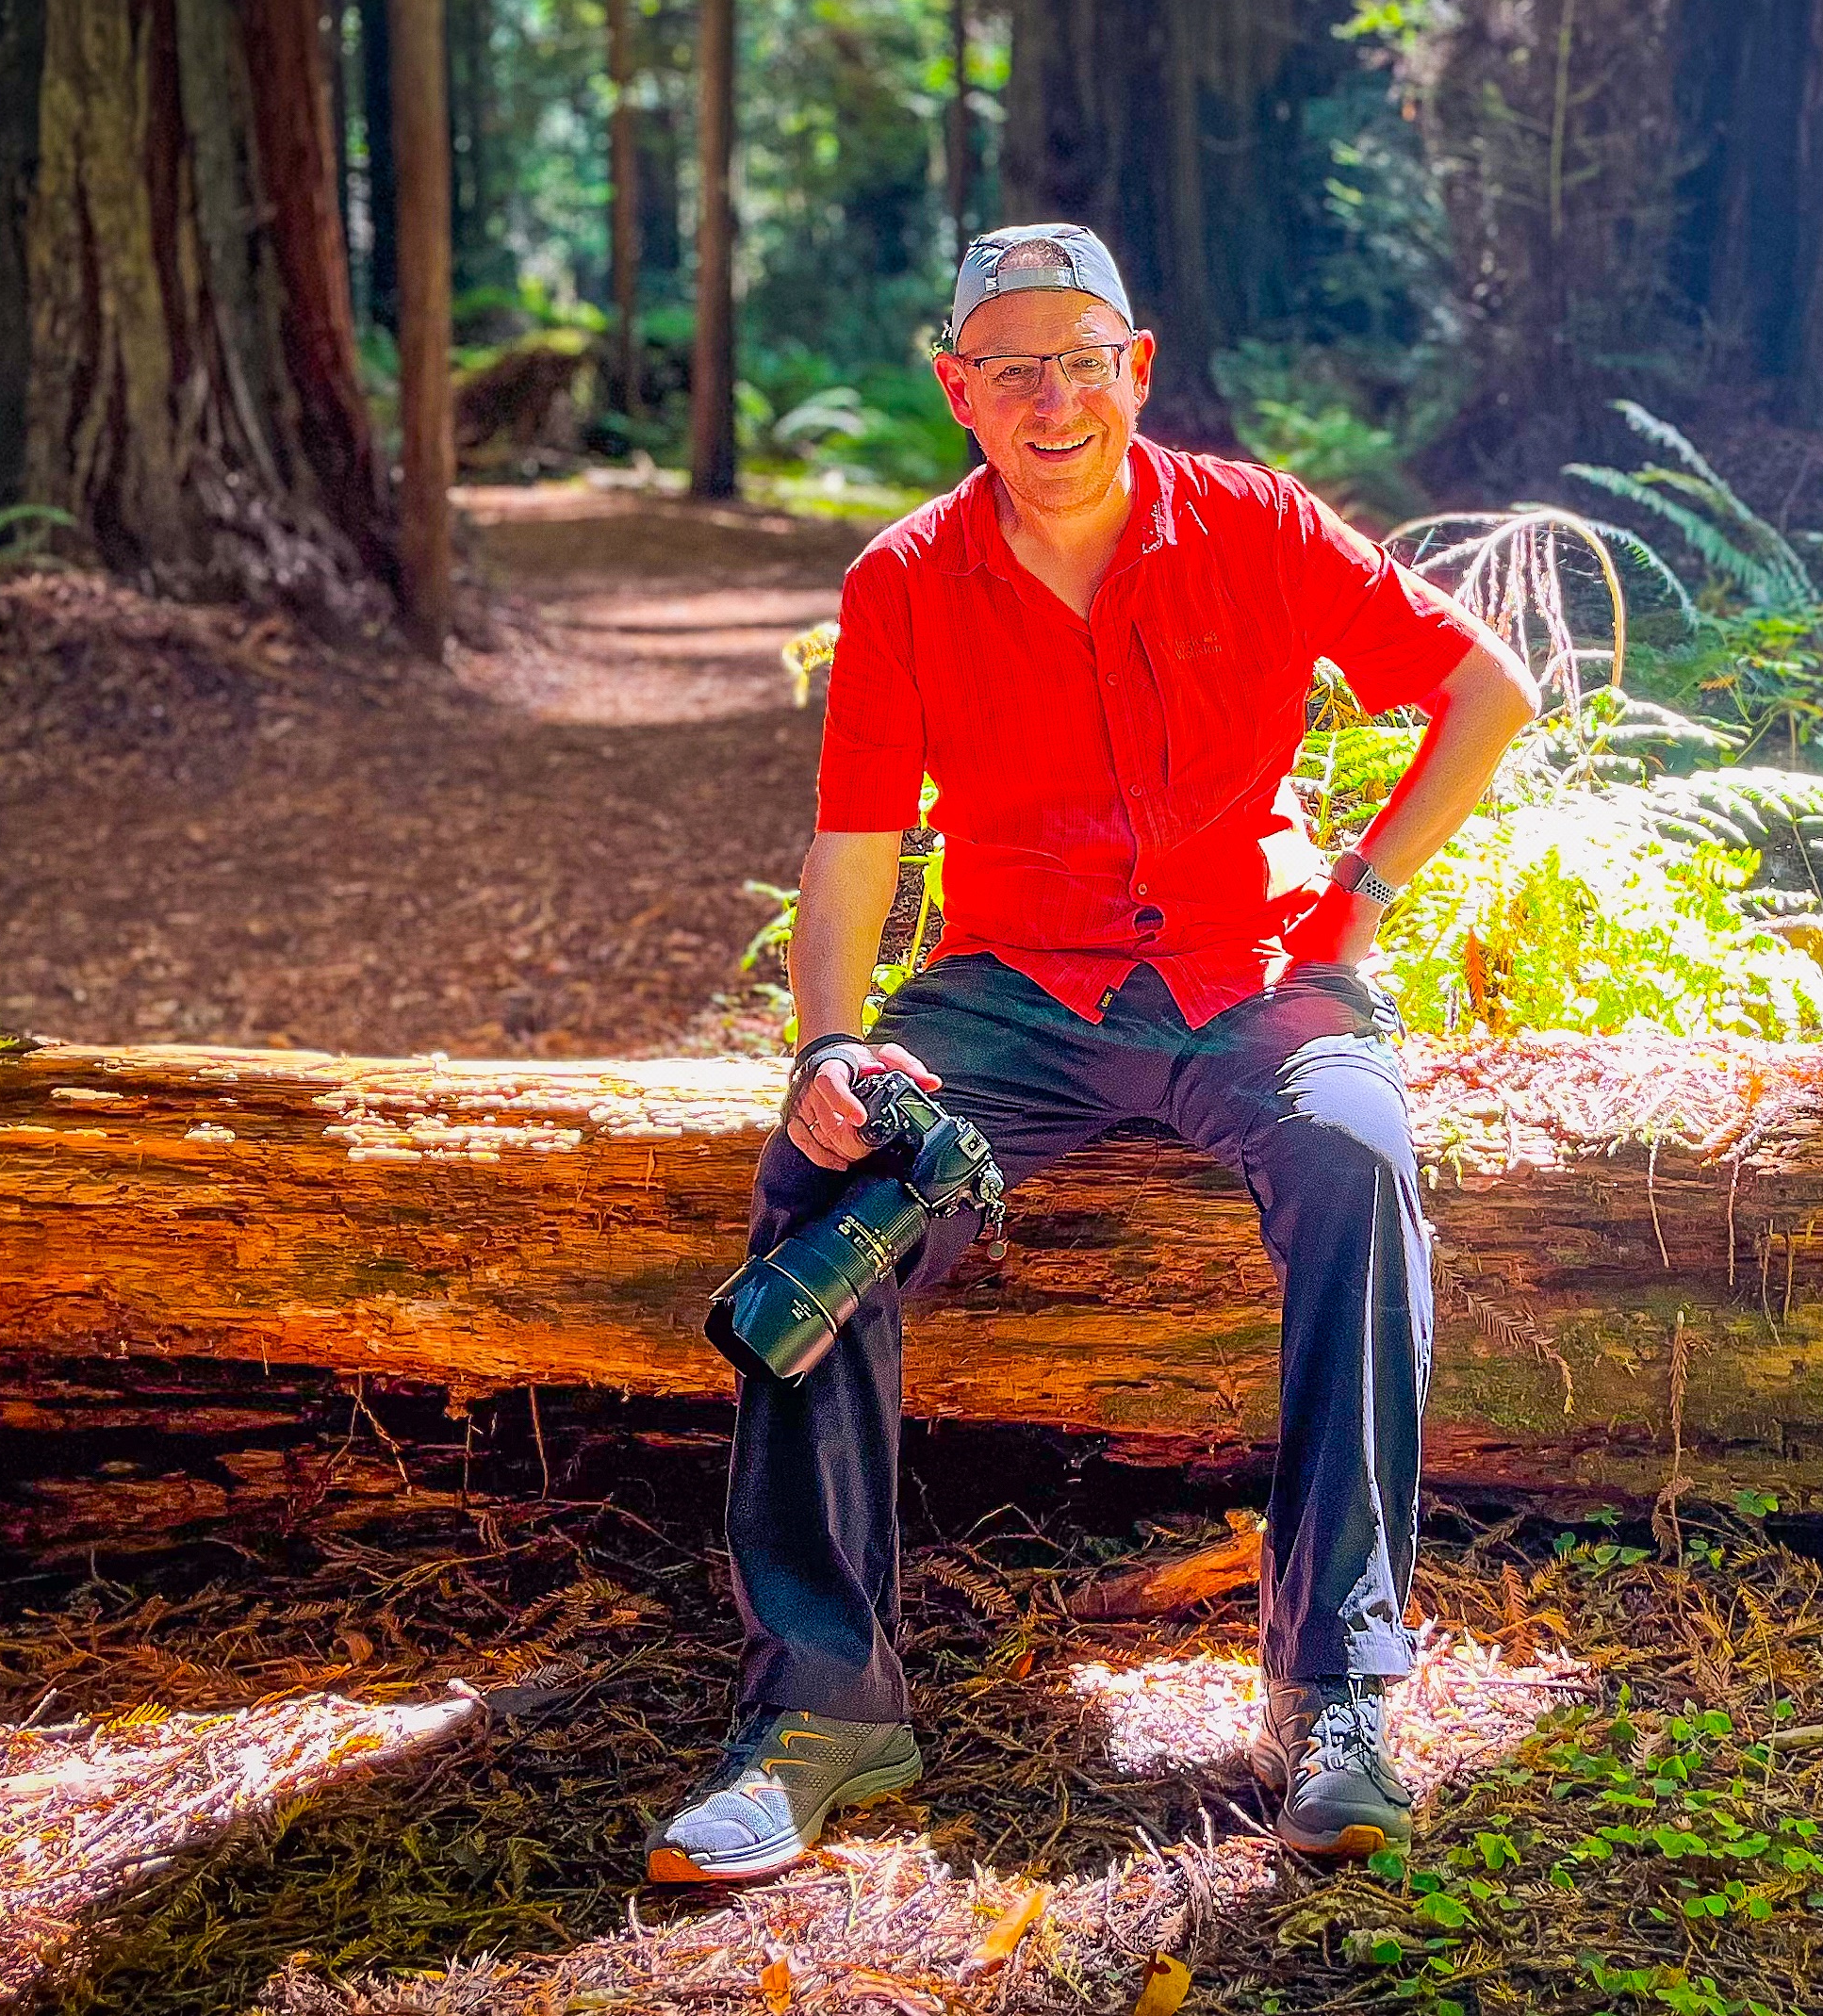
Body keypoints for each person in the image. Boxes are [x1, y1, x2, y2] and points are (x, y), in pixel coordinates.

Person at [648, 224, 1540, 1884]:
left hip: (1251, 977)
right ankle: (823, 1706)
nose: (1052, 399)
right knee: (821, 1176)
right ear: (956, 391)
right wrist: (832, 1049)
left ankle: (1334, 1689)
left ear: (1137, 368)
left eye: (1083, 361)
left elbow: (1484, 688)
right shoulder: (904, 579)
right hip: (1009, 996)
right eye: (1011, 369)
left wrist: (1358, 899)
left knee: (1358, 1164)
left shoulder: (1258, 523)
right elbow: (855, 852)